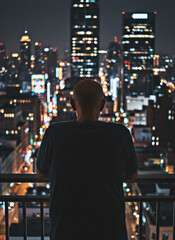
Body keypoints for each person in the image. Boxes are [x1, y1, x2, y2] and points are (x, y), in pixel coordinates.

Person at [36, 79, 138, 240]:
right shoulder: (121, 134)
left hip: (65, 229)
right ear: (103, 105)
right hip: (110, 230)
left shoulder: (54, 133)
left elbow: (40, 174)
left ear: (72, 104)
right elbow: (132, 176)